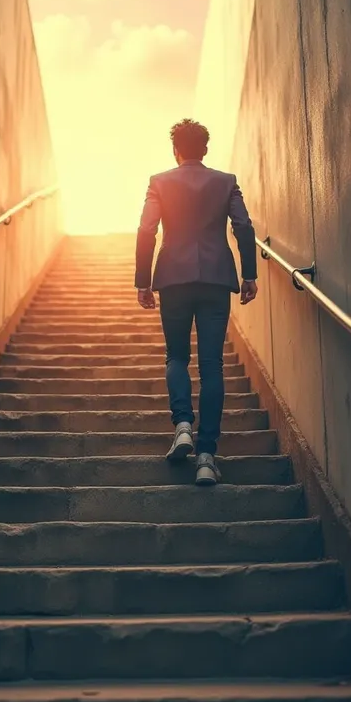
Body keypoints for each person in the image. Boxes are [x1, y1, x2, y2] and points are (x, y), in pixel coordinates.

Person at [135, 118, 258, 486]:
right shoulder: (225, 182)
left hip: (173, 278)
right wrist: (249, 273)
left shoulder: (160, 182)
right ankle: (206, 457)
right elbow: (244, 226)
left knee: (176, 356)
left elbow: (146, 229)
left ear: (176, 150)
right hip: (216, 280)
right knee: (212, 366)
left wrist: (143, 281)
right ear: (205, 150)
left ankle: (183, 425)